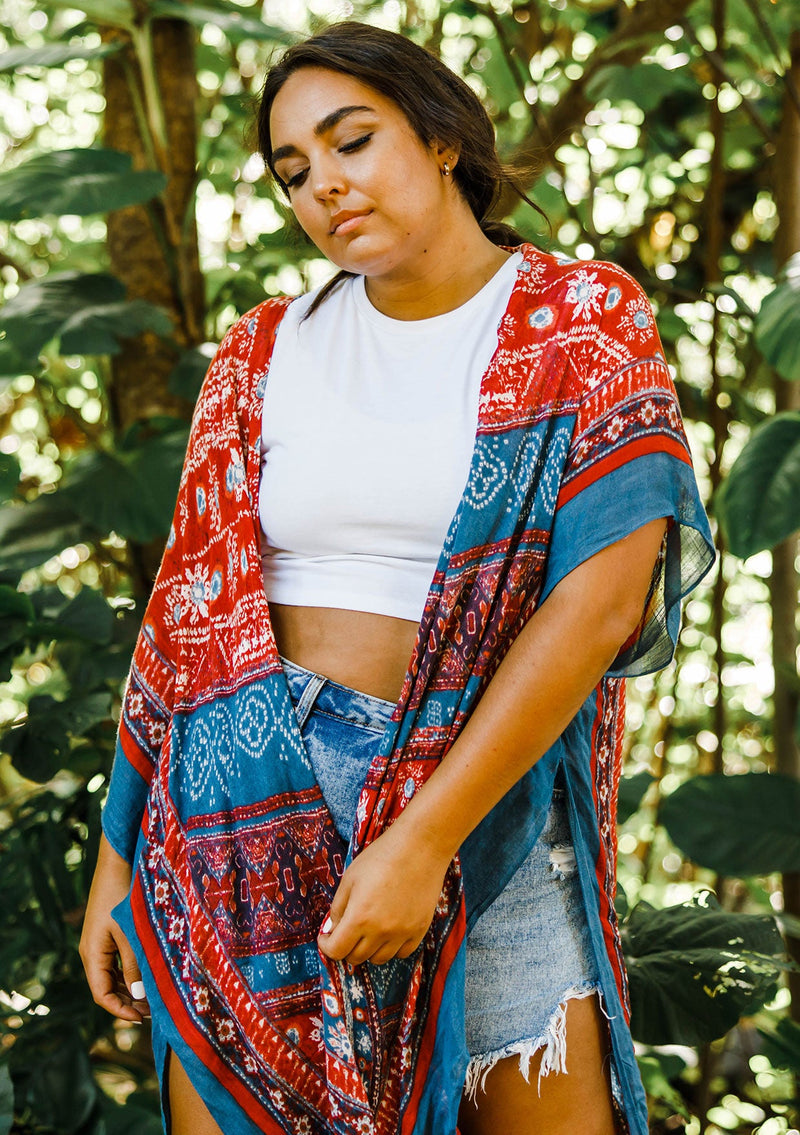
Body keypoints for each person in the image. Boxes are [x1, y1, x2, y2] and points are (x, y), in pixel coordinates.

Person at [80, 21, 714, 1135]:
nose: (324, 184)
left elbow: (602, 599)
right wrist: (116, 856)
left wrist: (419, 839)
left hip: (486, 801)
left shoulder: (577, 320)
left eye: (351, 141)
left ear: (438, 137)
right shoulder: (261, 350)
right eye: (293, 171)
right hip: (239, 814)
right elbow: (183, 617)